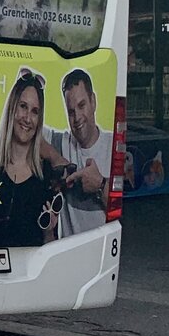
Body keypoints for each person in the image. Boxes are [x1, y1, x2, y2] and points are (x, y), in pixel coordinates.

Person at [0, 69, 60, 250]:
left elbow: (50, 250)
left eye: (35, 111)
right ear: (12, 109)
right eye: (23, 106)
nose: (27, 118)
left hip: (30, 277)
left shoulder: (46, 174)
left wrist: (49, 232)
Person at [41, 68, 112, 237]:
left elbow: (129, 214)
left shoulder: (113, 145)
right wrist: (56, 157)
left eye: (82, 106)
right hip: (70, 256)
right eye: (71, 111)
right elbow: (24, 129)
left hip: (103, 253)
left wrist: (100, 185)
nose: (77, 117)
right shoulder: (60, 142)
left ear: (93, 101)